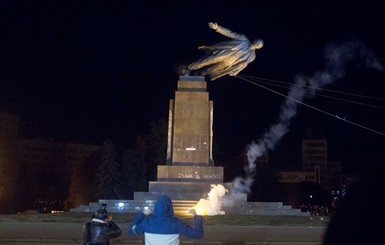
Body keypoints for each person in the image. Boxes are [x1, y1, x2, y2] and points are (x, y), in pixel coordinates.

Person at [188, 22, 263, 81]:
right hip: (224, 54)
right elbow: (230, 33)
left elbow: (244, 64)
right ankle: (189, 68)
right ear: (255, 40)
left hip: (228, 63)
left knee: (210, 70)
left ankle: (198, 75)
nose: (256, 44)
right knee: (206, 60)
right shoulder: (243, 39)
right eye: (257, 42)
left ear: (258, 48)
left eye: (258, 45)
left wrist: (236, 72)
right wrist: (218, 28)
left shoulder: (252, 56)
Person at [127, 195, 203, 245]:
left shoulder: (147, 222)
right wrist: (196, 216)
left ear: (156, 207)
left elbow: (130, 230)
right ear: (170, 207)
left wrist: (142, 214)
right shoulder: (176, 223)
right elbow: (198, 234)